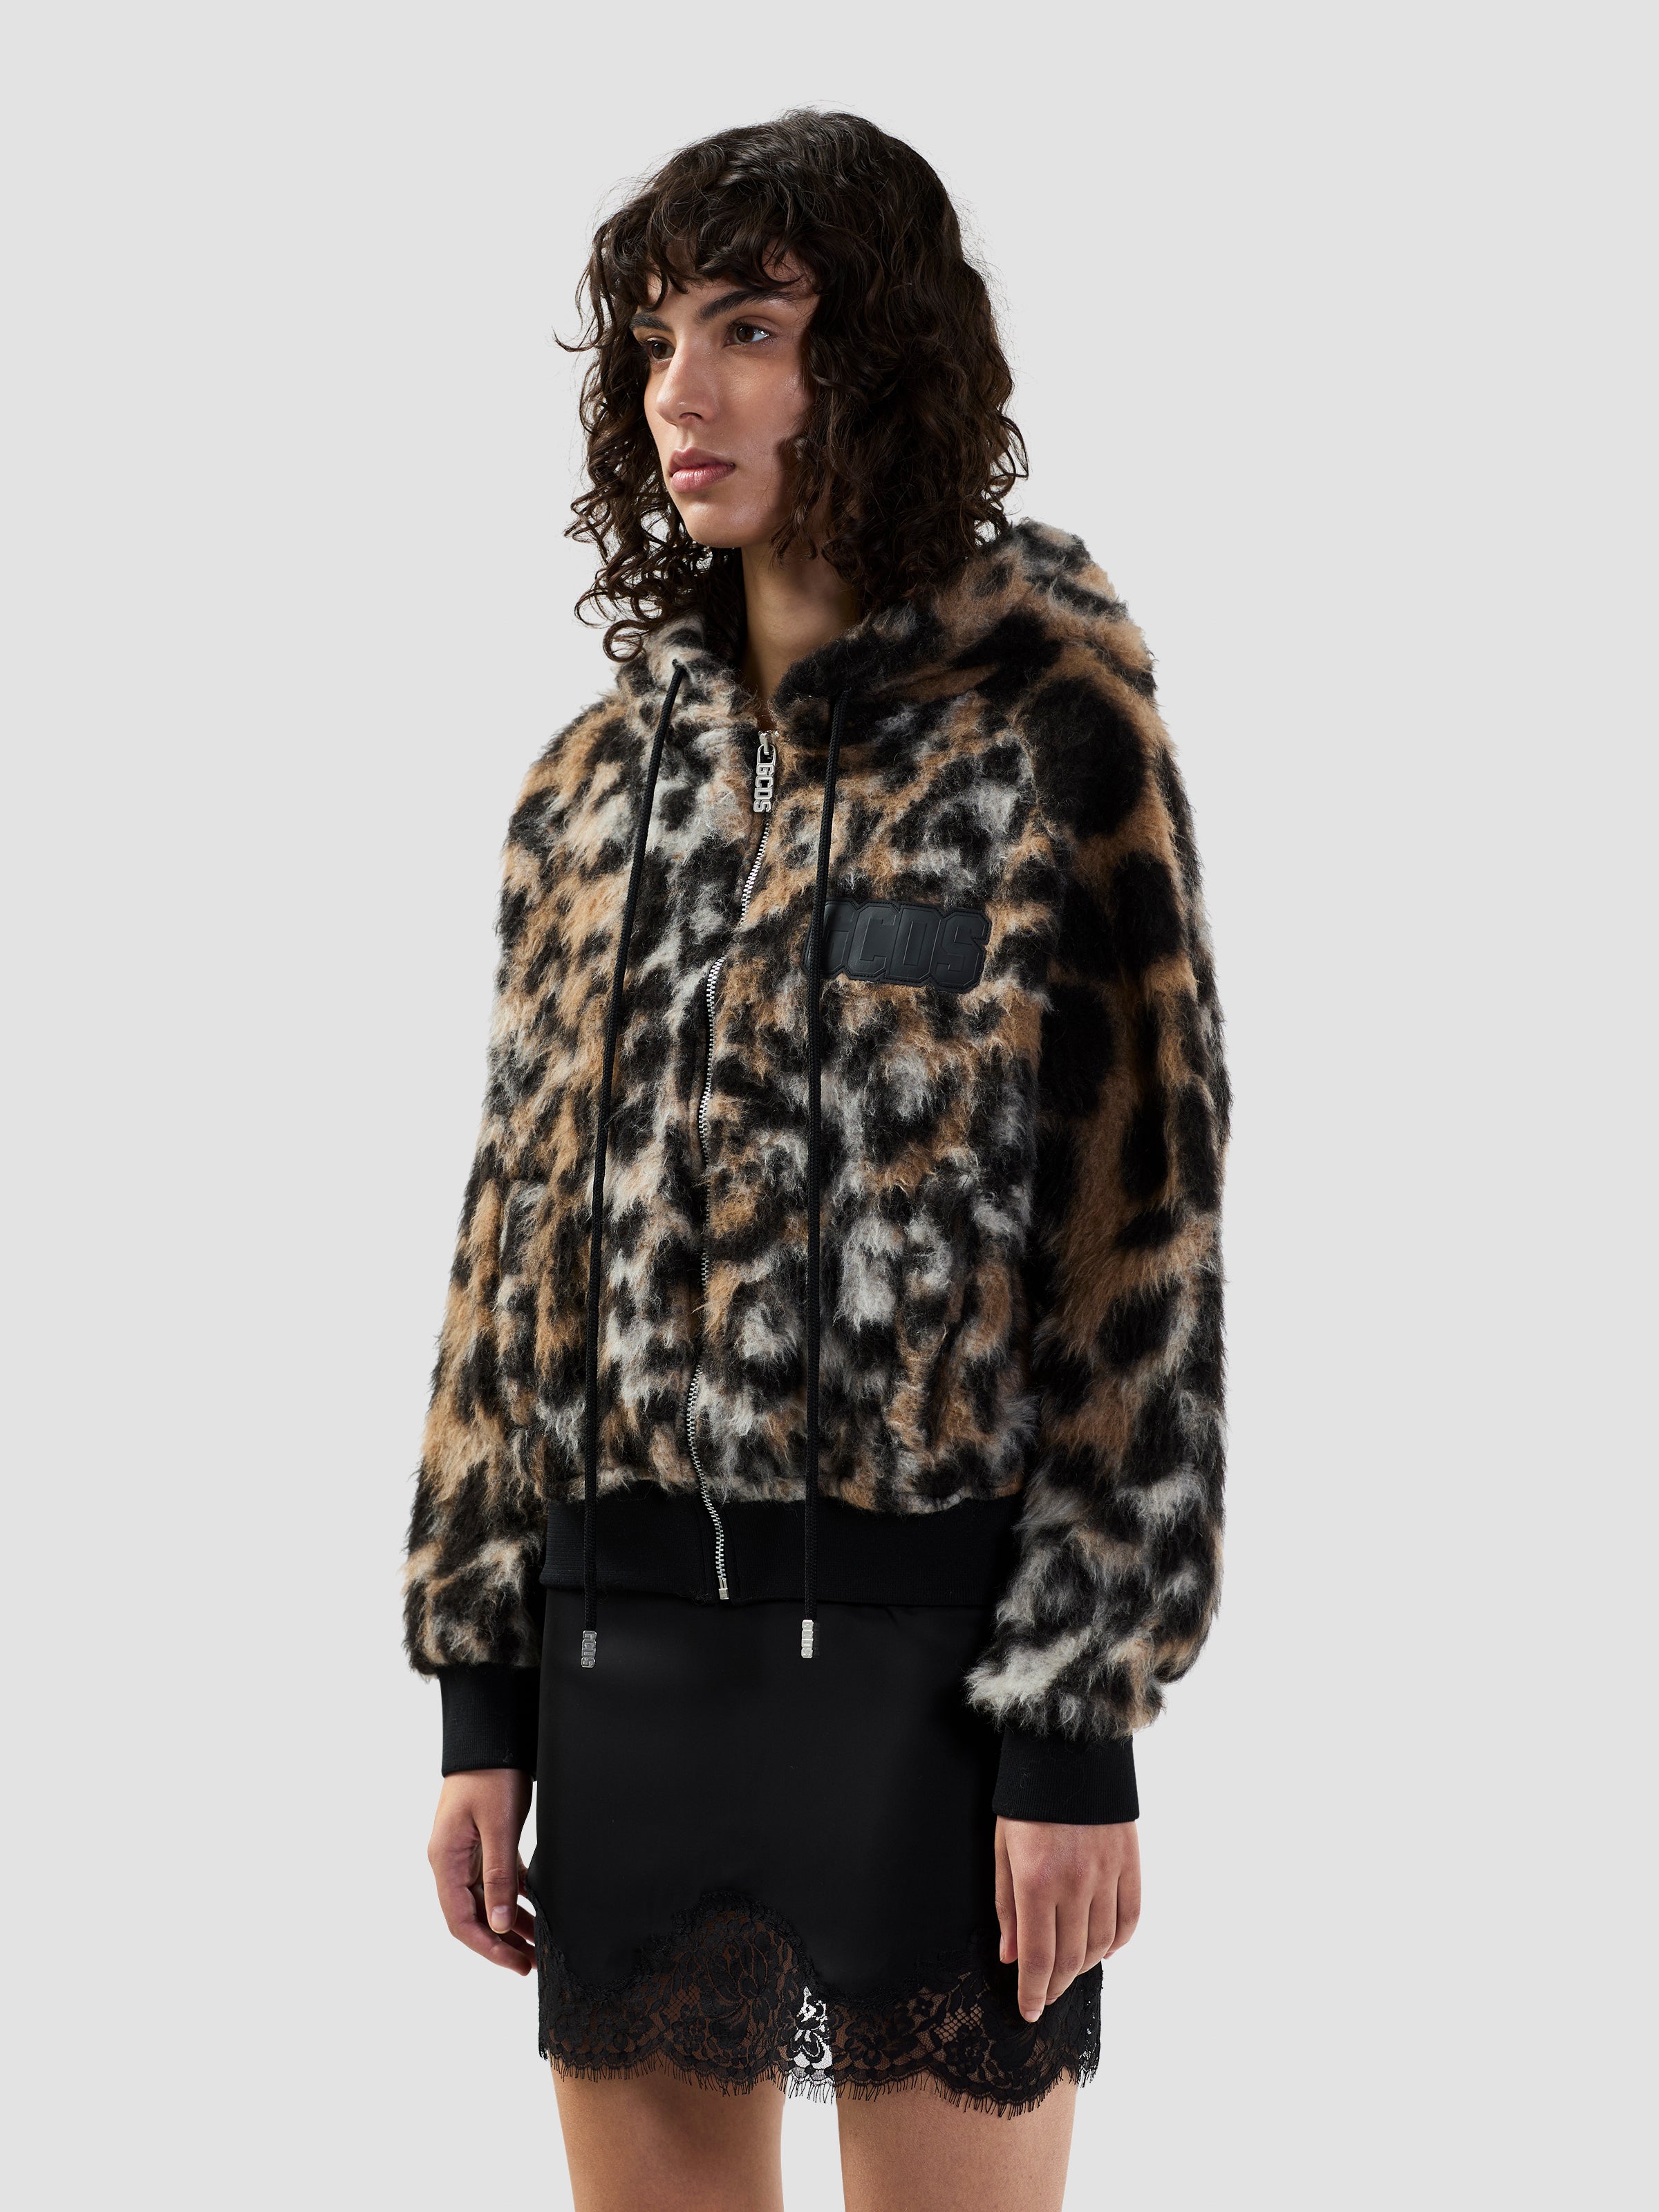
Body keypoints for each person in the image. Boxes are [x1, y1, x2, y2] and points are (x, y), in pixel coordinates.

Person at [404, 109, 1228, 2212]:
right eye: (658, 339)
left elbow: (1139, 1247)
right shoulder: (588, 794)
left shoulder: (1049, 735)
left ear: (878, 365)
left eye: (751, 330)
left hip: (933, 1692)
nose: (682, 393)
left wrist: (1075, 1723)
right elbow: (508, 1272)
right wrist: (482, 1703)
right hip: (618, 1668)